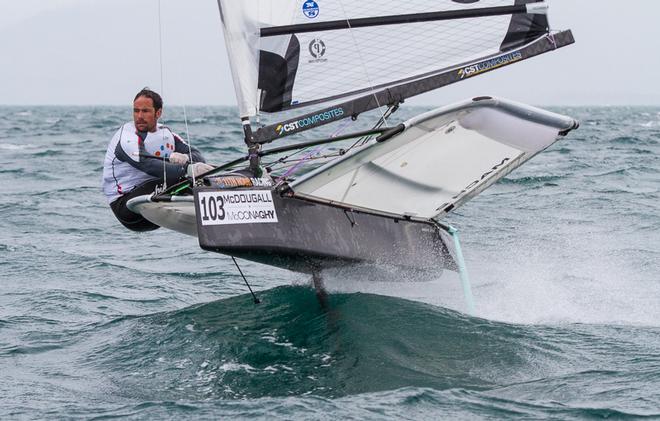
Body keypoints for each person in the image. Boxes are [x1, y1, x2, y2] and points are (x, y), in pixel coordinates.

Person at [102, 88, 213, 231]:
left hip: (155, 204)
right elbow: (147, 165)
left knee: (203, 176)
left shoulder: (166, 134)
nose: (139, 116)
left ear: (158, 113)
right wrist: (188, 169)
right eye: (136, 111)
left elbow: (197, 156)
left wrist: (186, 158)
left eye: (145, 111)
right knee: (186, 178)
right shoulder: (127, 138)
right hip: (128, 208)